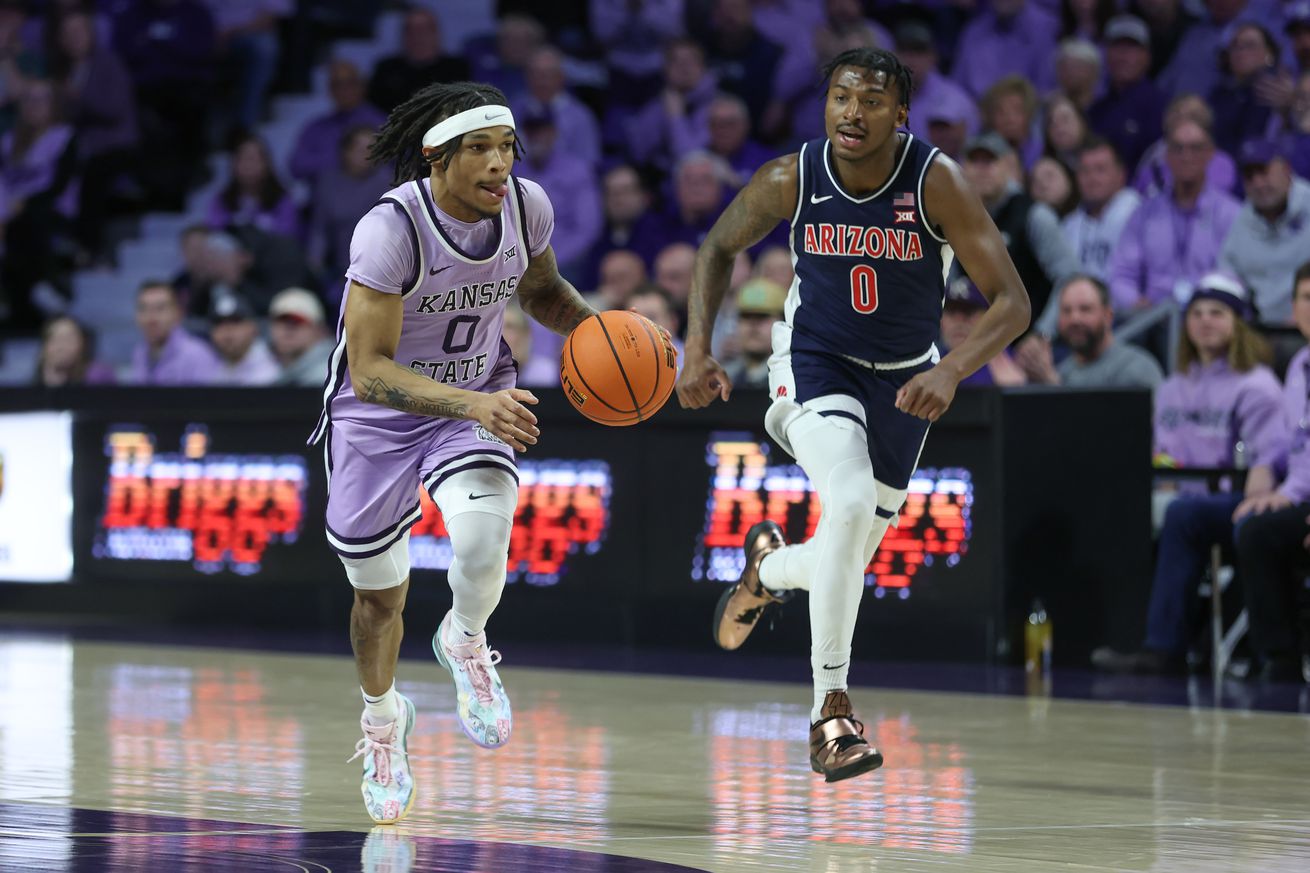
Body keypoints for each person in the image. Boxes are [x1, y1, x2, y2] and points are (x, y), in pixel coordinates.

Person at [676, 48, 1030, 783]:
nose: (852, 112)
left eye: (871, 101)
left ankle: (767, 568)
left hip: (905, 383)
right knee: (845, 499)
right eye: (840, 97)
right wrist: (696, 350)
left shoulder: (936, 182)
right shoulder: (792, 176)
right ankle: (829, 714)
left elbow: (1013, 301)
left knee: (847, 556)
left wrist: (951, 368)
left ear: (901, 113)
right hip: (814, 363)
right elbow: (716, 247)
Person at [307, 82, 613, 824]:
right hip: (377, 416)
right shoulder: (389, 230)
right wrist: (475, 404)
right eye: (479, 148)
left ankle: (465, 638)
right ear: (435, 157)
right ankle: (384, 720)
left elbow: (541, 292)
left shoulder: (524, 206)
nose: (498, 163)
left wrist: (600, 330)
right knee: (378, 599)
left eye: (506, 146)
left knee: (483, 537)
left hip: (474, 392)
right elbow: (369, 369)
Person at [1093, 274, 1285, 674]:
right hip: (1176, 494)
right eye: (1196, 313)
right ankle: (1114, 634)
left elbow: (1268, 459)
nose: (1204, 321)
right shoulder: (1174, 386)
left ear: (1239, 323)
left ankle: (1163, 648)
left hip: (1235, 497)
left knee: (1182, 515)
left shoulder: (1257, 386)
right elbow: (1162, 456)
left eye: (1216, 312)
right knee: (1120, 507)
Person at [1234, 263, 1310, 682]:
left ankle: (1282, 656)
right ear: (1293, 308)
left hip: (1302, 494)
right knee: (1245, 520)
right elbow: (1288, 438)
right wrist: (1264, 465)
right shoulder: (1299, 364)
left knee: (1260, 531)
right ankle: (1276, 657)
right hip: (1297, 491)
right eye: (1306, 298)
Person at [1218, 138, 1310, 325]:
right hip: (1261, 329)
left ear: (1286, 169)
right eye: (1249, 176)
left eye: (1263, 172)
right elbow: (1227, 274)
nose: (1258, 183)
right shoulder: (1242, 221)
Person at [1015, 274, 1164, 388]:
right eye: (1066, 311)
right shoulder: (1063, 371)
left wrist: (1053, 385)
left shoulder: (1137, 368)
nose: (1075, 319)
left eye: (1085, 309)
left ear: (1108, 316)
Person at [129, 280, 221, 386]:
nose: (151, 318)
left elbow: (208, 401)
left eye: (160, 309)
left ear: (177, 313)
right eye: (143, 309)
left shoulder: (198, 355)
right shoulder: (139, 353)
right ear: (136, 316)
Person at [721, 278, 784, 390]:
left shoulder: (793, 379)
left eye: (762, 316)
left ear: (783, 323)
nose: (753, 324)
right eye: (746, 316)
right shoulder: (723, 379)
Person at [209, 293, 280, 386]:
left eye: (235, 321)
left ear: (253, 328)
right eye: (219, 323)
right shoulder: (212, 367)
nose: (227, 330)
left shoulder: (271, 368)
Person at [268, 287, 333, 386]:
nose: (288, 330)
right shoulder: (262, 369)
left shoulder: (329, 374)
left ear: (319, 330)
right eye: (281, 321)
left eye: (297, 322)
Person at [32, 315, 114, 386]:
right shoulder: (27, 384)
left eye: (69, 339)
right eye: (55, 339)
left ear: (82, 344)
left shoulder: (99, 378)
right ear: (44, 346)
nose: (62, 347)